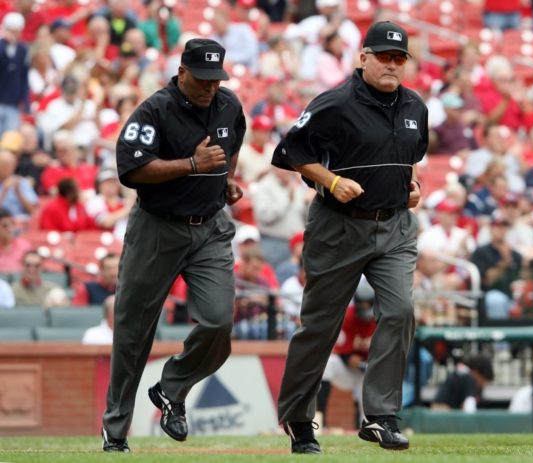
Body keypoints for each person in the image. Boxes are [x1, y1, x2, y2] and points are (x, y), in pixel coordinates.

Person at [272, 21, 428, 453]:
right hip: (339, 225)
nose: (393, 64)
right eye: (384, 56)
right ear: (363, 58)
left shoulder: (415, 105)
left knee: (399, 311)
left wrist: (410, 188)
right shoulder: (335, 103)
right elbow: (290, 152)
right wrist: (331, 180)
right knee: (321, 326)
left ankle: (379, 416)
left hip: (394, 226)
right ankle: (300, 420)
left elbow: (409, 157)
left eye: (399, 58)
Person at [101, 38, 246, 453]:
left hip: (210, 228)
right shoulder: (155, 110)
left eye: (216, 79)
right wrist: (192, 165)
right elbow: (131, 170)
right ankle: (116, 432)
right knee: (133, 332)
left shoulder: (229, 104)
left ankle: (170, 388)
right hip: (157, 228)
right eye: (201, 79)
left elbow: (231, 146)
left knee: (219, 322)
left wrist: (226, 178)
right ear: (181, 72)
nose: (209, 87)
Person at [317, 278, 377, 429]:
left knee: (367, 416)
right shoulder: (348, 317)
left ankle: (367, 429)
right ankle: (320, 420)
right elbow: (346, 356)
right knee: (328, 365)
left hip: (372, 372)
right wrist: (363, 363)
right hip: (351, 370)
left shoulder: (381, 318)